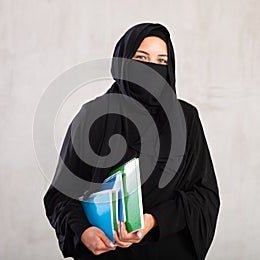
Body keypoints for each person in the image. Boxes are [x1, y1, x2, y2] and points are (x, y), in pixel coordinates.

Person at [43, 22, 220, 260]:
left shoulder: (185, 119)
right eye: (141, 58)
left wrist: (153, 220)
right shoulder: (93, 116)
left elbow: (204, 195)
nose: (151, 69)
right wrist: (84, 232)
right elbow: (61, 195)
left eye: (161, 62)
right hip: (107, 254)